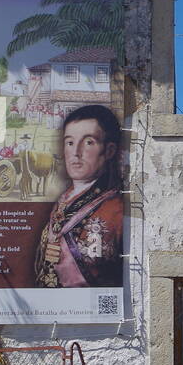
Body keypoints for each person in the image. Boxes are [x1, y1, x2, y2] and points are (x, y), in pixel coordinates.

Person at [34, 104, 124, 288]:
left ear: (109, 151)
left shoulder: (115, 208)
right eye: (70, 142)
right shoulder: (64, 200)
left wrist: (61, 257)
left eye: (88, 142)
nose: (76, 153)